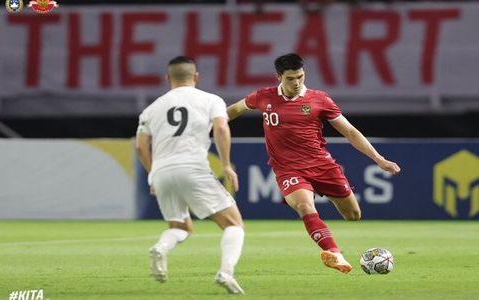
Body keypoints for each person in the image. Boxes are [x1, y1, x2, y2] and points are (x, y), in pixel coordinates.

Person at [227, 53, 401, 274]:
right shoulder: (263, 97)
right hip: (288, 168)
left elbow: (349, 131)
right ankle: (334, 253)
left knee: (353, 215)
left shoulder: (320, 99)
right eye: (290, 78)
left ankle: (333, 245)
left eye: (300, 76)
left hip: (322, 165)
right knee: (304, 206)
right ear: (278, 76)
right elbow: (234, 110)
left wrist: (379, 159)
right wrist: (211, 122)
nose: (296, 82)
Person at [135, 56, 245, 294]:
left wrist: (152, 173)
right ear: (195, 77)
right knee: (234, 224)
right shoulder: (210, 99)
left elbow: (140, 147)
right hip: (193, 167)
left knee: (181, 227)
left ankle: (162, 246)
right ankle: (226, 272)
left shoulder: (151, 108)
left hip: (162, 171)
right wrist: (226, 165)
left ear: (168, 79)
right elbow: (222, 127)